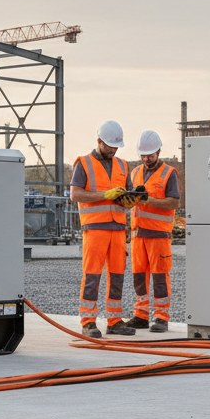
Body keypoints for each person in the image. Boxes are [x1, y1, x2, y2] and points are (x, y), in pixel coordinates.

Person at [70, 121, 136, 338]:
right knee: (92, 275)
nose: (113, 150)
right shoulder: (84, 163)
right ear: (99, 141)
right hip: (95, 227)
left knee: (117, 275)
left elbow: (127, 196)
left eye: (116, 147)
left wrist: (129, 201)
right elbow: (75, 194)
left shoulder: (123, 165)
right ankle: (88, 321)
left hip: (118, 228)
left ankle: (114, 321)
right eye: (109, 146)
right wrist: (104, 195)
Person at [122, 130, 180, 333]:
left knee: (160, 276)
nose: (146, 159)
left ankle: (161, 317)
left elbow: (173, 202)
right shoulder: (135, 172)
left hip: (158, 234)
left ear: (158, 152)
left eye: (150, 155)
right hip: (138, 235)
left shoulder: (169, 173)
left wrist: (149, 199)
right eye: (143, 155)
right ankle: (141, 315)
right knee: (139, 277)